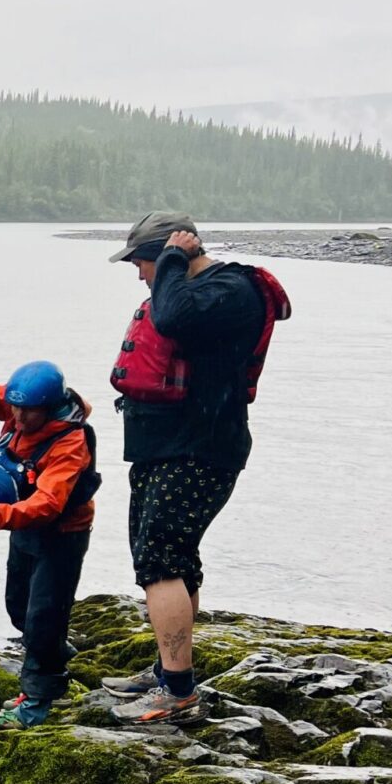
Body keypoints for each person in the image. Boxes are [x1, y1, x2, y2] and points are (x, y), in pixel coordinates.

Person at [102, 211, 285, 726]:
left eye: (142, 264)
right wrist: (172, 266)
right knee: (169, 559)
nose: (141, 276)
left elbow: (173, 320)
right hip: (165, 447)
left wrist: (171, 262)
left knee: (161, 562)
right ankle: (168, 669)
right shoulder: (189, 290)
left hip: (199, 449)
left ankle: (178, 691)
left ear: (166, 255)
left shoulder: (230, 290)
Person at [0, 357, 99, 728]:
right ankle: (54, 655)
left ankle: (35, 703)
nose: (19, 418)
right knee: (19, 607)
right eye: (14, 408)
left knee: (42, 618)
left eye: (28, 412)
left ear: (50, 407)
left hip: (62, 536)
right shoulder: (19, 407)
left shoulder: (71, 441)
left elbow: (48, 504)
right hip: (24, 526)